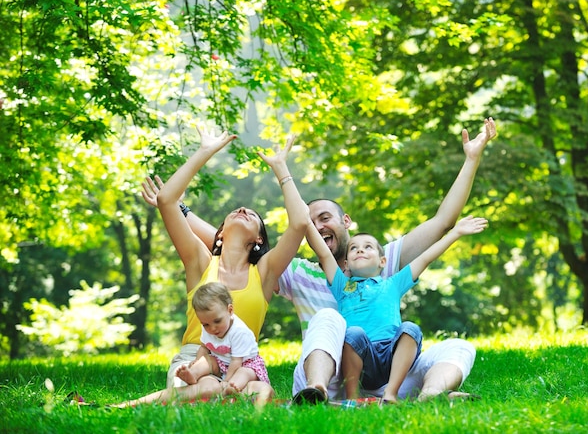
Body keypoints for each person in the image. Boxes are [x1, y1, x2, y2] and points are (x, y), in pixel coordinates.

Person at [143, 117, 497, 403]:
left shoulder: (382, 263)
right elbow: (232, 250)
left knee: (458, 346)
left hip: (384, 370)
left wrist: (471, 159)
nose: (316, 225)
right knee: (329, 318)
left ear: (346, 222)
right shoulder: (297, 272)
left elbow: (441, 222)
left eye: (324, 217)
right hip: (327, 377)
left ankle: (432, 395)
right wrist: (178, 209)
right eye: (310, 221)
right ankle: (317, 393)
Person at [122, 125, 310, 406]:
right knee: (207, 386)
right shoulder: (200, 261)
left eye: (252, 215)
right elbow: (167, 200)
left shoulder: (264, 272)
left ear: (259, 238)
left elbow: (300, 222)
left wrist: (282, 170)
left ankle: (163, 402)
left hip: (241, 368)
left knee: (242, 396)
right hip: (195, 360)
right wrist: (204, 151)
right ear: (220, 233)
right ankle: (147, 403)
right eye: (235, 211)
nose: (244, 210)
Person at [307, 216, 488, 403]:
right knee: (353, 333)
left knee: (411, 329)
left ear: (382, 262)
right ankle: (353, 398)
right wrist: (304, 219)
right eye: (353, 248)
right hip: (361, 357)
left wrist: (455, 233)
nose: (360, 249)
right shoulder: (341, 285)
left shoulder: (392, 284)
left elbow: (425, 257)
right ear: (346, 264)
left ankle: (398, 394)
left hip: (394, 358)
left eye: (368, 246)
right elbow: (324, 254)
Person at [116, 282, 271, 407]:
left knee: (244, 372)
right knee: (207, 360)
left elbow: (237, 361)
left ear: (230, 310)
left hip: (244, 364)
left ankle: (231, 387)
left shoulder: (239, 331)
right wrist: (197, 364)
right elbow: (204, 347)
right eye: (206, 325)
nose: (213, 328)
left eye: (217, 321)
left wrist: (225, 381)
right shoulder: (209, 326)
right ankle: (192, 376)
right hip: (221, 362)